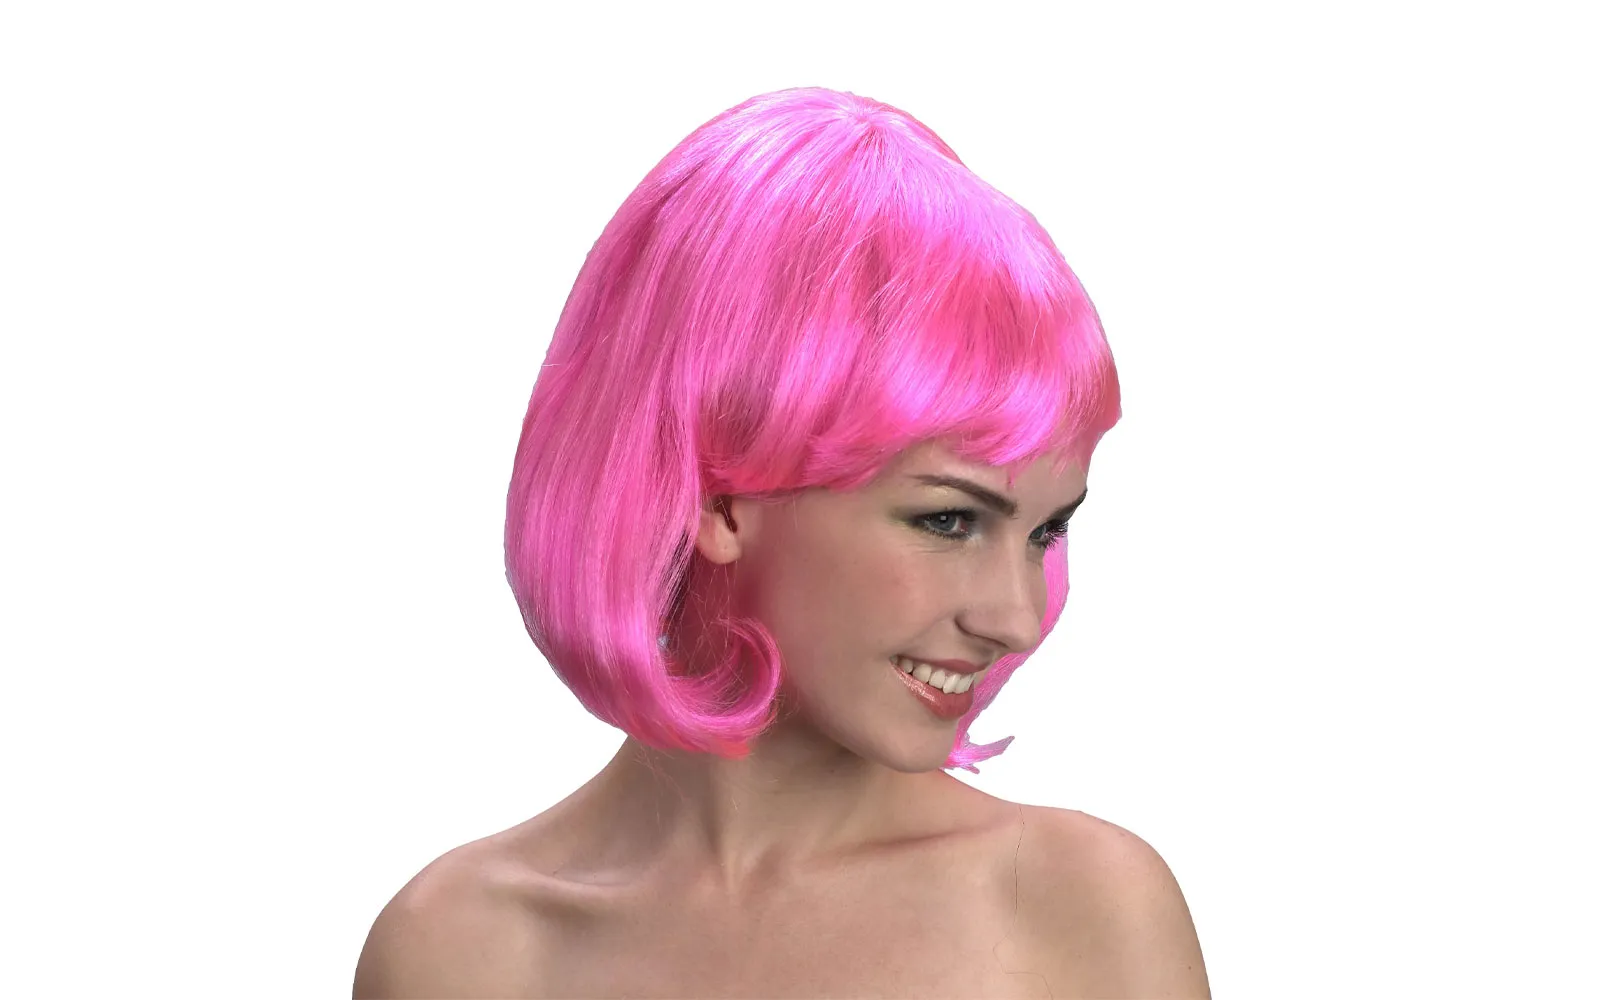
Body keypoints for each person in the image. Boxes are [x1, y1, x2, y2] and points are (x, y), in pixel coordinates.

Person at [354, 86, 1210, 999]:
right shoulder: (461, 953)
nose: (1017, 618)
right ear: (718, 497)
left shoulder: (1078, 913)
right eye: (947, 520)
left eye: (1044, 530)